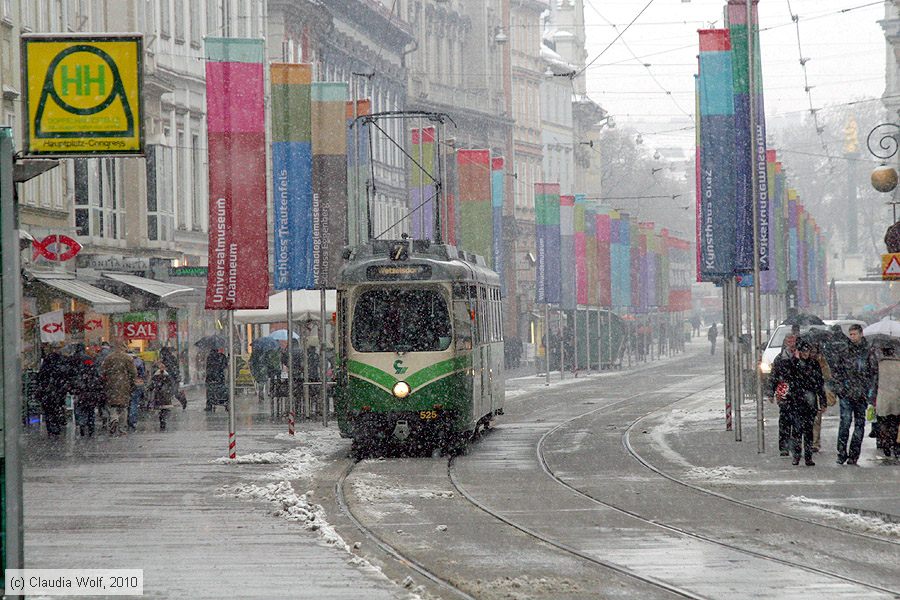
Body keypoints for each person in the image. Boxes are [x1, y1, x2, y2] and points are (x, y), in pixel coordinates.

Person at [832, 324, 878, 465]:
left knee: (859, 425)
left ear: (860, 334)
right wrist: (840, 388)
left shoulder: (868, 352)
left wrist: (870, 393)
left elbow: (873, 373)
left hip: (861, 394)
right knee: (845, 424)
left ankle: (854, 454)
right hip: (847, 393)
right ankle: (842, 452)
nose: (852, 337)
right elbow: (837, 372)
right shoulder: (844, 351)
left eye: (854, 334)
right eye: (850, 334)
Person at [779, 338, 827, 466]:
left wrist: (822, 401)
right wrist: (784, 397)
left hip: (809, 404)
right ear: (798, 351)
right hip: (796, 402)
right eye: (803, 351)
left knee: (808, 431)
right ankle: (797, 455)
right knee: (797, 431)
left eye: (807, 351)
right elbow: (786, 381)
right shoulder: (792, 364)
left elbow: (819, 384)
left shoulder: (814, 364)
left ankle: (808, 456)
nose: (806, 354)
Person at [769, 334, 799, 456]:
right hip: (784, 391)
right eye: (789, 341)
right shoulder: (780, 358)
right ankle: (784, 446)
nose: (791, 343)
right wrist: (771, 391)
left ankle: (796, 446)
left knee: (797, 421)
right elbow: (774, 376)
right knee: (785, 420)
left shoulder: (801, 356)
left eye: (793, 340)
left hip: (798, 393)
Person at [100, 341, 137, 436]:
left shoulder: (108, 358)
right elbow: (133, 373)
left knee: (112, 405)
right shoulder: (127, 358)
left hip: (111, 384)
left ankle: (113, 418)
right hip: (124, 384)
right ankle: (122, 429)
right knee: (123, 407)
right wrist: (132, 382)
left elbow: (103, 371)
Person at [808, 342, 835, 454]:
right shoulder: (803, 361)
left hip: (817, 395)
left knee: (816, 420)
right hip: (807, 394)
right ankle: (810, 441)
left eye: (815, 351)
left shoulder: (821, 362)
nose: (813, 354)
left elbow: (827, 376)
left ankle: (815, 443)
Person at [36, 346, 70, 436]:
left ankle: (51, 428)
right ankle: (56, 426)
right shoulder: (62, 362)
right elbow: (66, 375)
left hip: (48, 392)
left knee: (49, 411)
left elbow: (40, 376)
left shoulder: (47, 363)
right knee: (57, 409)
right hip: (59, 391)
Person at [71, 351, 105, 437]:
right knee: (90, 411)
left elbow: (76, 382)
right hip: (91, 395)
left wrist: (76, 389)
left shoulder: (79, 371)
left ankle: (82, 425)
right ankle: (91, 427)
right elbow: (98, 382)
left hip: (82, 394)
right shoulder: (93, 370)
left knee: (82, 410)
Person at [147, 361, 176, 431]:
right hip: (165, 396)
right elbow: (171, 385)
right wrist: (171, 392)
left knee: (161, 410)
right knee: (164, 410)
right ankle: (163, 421)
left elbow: (152, 385)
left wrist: (149, 389)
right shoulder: (167, 376)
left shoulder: (156, 376)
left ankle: (162, 421)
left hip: (159, 396)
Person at [128, 350, 147, 432]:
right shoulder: (139, 361)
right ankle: (132, 421)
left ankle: (125, 420)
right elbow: (143, 374)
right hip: (138, 383)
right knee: (134, 402)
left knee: (126, 403)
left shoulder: (125, 361)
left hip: (126, 384)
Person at [205, 347, 228, 412]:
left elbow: (208, 367)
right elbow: (225, 366)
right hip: (219, 377)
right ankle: (223, 402)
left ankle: (210, 404)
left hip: (210, 377)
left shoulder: (209, 357)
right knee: (221, 390)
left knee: (210, 391)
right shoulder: (222, 356)